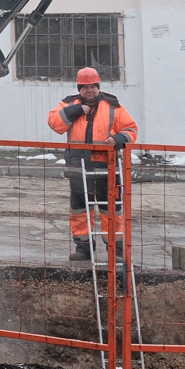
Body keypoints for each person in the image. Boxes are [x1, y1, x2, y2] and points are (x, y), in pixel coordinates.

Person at [48, 67, 138, 262]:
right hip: (77, 168)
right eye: (85, 87)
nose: (90, 90)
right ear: (79, 88)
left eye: (93, 86)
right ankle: (84, 249)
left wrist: (119, 138)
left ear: (98, 86)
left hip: (107, 169)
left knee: (111, 210)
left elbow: (131, 129)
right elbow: (54, 123)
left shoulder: (113, 105)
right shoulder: (68, 103)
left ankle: (117, 251)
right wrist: (75, 111)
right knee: (79, 210)